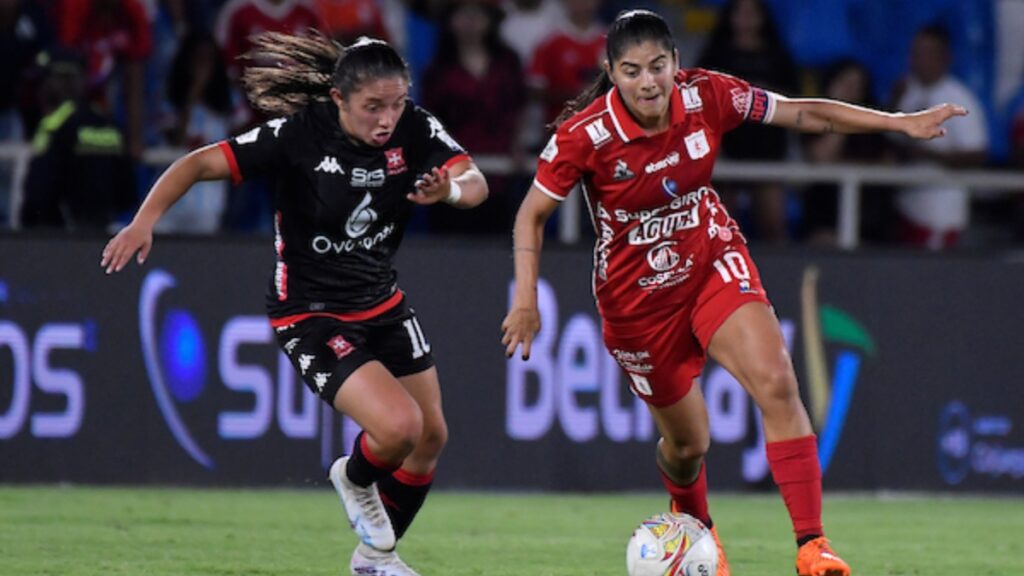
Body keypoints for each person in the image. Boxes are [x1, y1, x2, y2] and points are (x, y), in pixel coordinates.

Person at [501, 10, 965, 576]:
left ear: (675, 61)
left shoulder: (708, 94)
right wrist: (525, 300)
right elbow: (531, 214)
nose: (648, 81)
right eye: (631, 70)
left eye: (658, 66)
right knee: (690, 445)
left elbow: (802, 112)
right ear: (611, 72)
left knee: (776, 380)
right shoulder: (587, 136)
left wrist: (898, 123)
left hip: (710, 262)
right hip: (638, 305)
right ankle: (696, 529)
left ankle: (813, 546)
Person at [102, 30, 488, 576]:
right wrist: (144, 222)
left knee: (431, 438)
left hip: (382, 302)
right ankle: (353, 478)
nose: (386, 118)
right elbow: (197, 164)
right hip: (310, 312)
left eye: (395, 103)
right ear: (338, 99)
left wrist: (447, 191)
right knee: (399, 428)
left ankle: (375, 559)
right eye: (372, 106)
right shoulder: (299, 135)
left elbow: (475, 183)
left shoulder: (417, 128)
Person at [890, 23, 988, 250]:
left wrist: (927, 155)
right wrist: (892, 105)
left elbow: (977, 154)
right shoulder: (904, 91)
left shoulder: (959, 98)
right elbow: (890, 143)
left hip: (939, 213)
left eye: (929, 53)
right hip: (904, 205)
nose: (922, 60)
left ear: (946, 58)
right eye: (917, 52)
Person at [20, 49, 136, 230]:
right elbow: (127, 194)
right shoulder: (108, 124)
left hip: (58, 239)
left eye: (43, 81)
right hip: (102, 235)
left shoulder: (54, 126)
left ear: (61, 81)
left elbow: (38, 192)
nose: (38, 90)